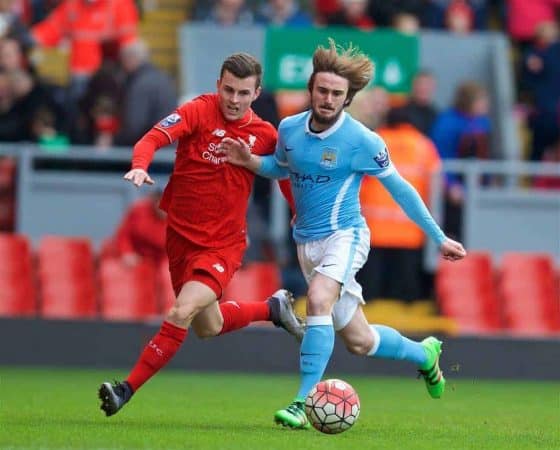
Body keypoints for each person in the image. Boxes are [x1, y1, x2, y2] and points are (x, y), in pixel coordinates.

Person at [220, 39, 466, 429]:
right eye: (323, 91)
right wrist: (249, 161)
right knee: (360, 341)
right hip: (307, 243)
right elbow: (281, 168)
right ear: (311, 90)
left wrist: (438, 237)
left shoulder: (362, 140)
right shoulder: (289, 129)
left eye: (337, 93)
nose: (328, 99)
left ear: (348, 98)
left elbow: (401, 189)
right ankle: (425, 356)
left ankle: (302, 403)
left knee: (317, 300)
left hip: (346, 236)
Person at [97, 52, 304, 417]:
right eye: (228, 90)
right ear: (217, 86)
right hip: (180, 238)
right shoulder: (197, 111)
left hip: (222, 244)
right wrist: (139, 167)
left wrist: (298, 212)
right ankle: (273, 308)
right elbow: (150, 140)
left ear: (256, 94)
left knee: (181, 310)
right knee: (209, 325)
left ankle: (124, 390)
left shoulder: (265, 135)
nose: (234, 100)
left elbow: (284, 176)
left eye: (243, 93)